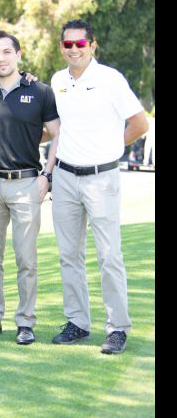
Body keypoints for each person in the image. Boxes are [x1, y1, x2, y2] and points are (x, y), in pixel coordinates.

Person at [49, 19, 149, 354]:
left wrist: (112, 148)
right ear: (62, 47)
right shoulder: (57, 81)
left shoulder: (110, 79)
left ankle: (117, 328)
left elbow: (140, 122)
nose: (74, 50)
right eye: (68, 45)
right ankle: (77, 322)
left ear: (93, 45)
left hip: (101, 178)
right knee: (69, 255)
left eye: (80, 44)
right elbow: (55, 129)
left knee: (109, 256)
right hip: (64, 177)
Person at [0, 30, 60, 345]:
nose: (1, 58)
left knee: (26, 258)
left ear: (18, 54)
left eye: (6, 52)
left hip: (26, 184)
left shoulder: (40, 91)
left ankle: (25, 322)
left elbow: (55, 133)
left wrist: (46, 175)